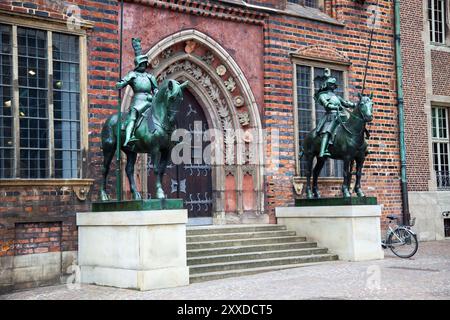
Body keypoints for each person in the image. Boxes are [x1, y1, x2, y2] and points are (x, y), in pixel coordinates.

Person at [116, 38, 158, 147]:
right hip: (138, 101)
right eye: (142, 63)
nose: (144, 65)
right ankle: (129, 138)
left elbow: (155, 89)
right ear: (138, 64)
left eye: (145, 63)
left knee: (162, 114)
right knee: (132, 117)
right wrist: (120, 84)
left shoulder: (150, 77)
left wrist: (157, 93)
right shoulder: (133, 75)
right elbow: (123, 82)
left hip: (150, 100)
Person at [315, 68, 357, 157]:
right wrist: (334, 107)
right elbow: (326, 105)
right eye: (331, 84)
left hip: (341, 116)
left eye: (333, 85)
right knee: (327, 132)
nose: (332, 86)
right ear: (326, 85)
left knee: (353, 128)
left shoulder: (336, 96)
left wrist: (355, 105)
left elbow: (345, 103)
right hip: (331, 116)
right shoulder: (322, 95)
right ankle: (323, 150)